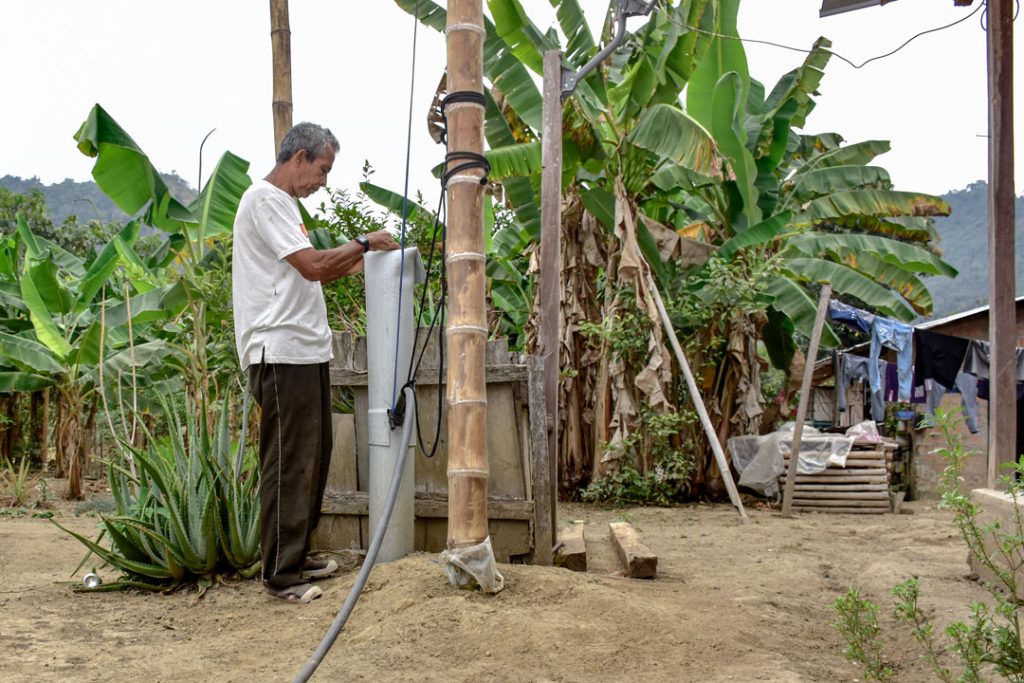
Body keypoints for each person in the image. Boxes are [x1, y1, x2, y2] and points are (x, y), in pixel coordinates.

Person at [232, 122, 399, 603]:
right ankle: (280, 576)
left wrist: (372, 258)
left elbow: (319, 271)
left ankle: (297, 552)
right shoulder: (264, 199)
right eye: (322, 170)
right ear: (299, 157)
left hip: (303, 350)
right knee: (289, 463)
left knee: (313, 458)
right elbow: (313, 267)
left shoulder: (284, 207)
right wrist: (363, 244)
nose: (323, 181)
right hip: (279, 351)